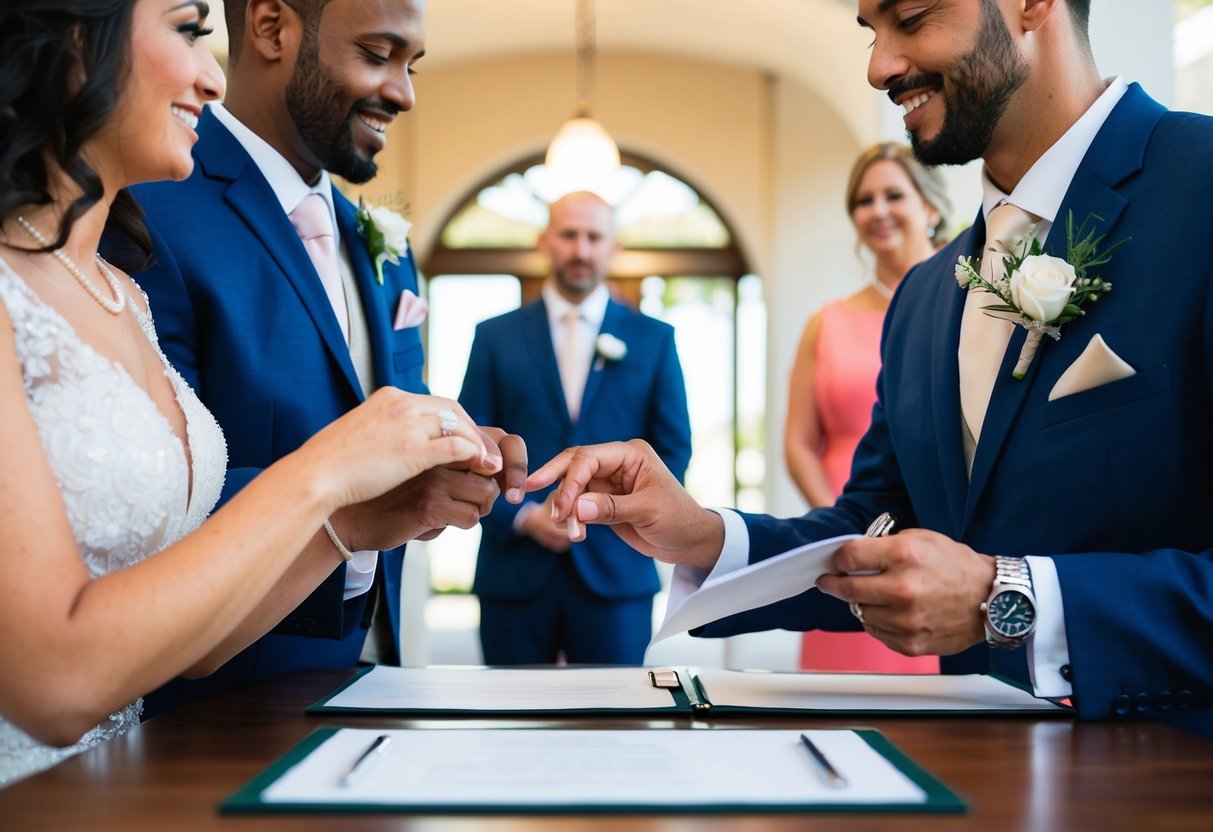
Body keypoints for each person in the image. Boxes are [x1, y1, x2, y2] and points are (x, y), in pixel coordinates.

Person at [532, 0, 1213, 732]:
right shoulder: (925, 297)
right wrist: (701, 534)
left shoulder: (1199, 186)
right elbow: (873, 524)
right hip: (969, 776)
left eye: (911, 18)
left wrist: (1006, 595)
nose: (878, 66)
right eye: (870, 32)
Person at [0, 0, 499, 786]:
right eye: (187, 30)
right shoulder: (77, 273)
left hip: (128, 785)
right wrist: (328, 469)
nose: (210, 72)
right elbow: (55, 685)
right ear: (72, 38)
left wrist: (357, 518)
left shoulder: (115, 297)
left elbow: (195, 641)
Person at [121, 0, 524, 715]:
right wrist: (359, 502)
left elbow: (385, 425)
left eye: (411, 65)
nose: (404, 93)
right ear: (273, 27)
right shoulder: (149, 208)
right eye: (377, 54)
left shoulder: (378, 244)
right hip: (217, 709)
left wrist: (445, 464)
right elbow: (149, 498)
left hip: (379, 685)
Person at [459, 191, 691, 665]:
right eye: (569, 235)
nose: (581, 249)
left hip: (616, 572)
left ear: (613, 247)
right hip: (515, 572)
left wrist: (609, 509)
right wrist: (524, 517)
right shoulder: (494, 337)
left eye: (593, 237)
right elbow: (469, 447)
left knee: (613, 726)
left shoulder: (654, 339)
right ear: (545, 242)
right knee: (511, 726)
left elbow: (673, 451)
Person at [784, 143, 947, 673]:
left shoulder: (972, 308)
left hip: (937, 542)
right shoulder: (825, 322)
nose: (877, 210)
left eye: (893, 195)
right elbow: (800, 442)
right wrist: (842, 529)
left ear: (931, 207)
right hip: (845, 543)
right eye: (863, 200)